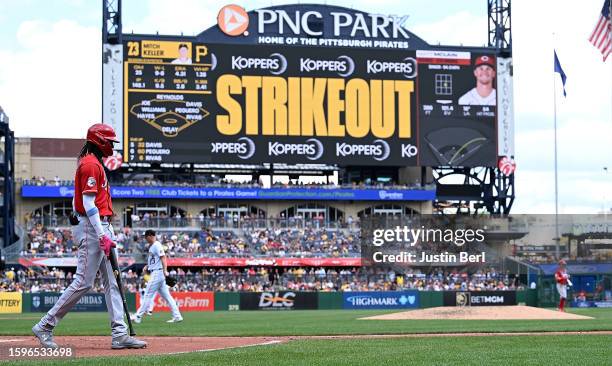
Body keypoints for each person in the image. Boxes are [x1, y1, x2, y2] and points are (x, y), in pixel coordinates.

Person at [32, 123, 146, 349]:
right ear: (100, 141)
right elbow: (86, 203)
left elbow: (77, 201)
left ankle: (120, 334)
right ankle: (45, 325)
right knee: (83, 281)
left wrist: (104, 231)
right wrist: (102, 234)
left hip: (99, 226)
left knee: (113, 281)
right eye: (110, 142)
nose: (113, 146)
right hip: (93, 228)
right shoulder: (90, 164)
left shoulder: (93, 163)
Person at [131, 230, 183, 323]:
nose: (145, 238)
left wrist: (165, 270)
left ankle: (138, 316)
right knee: (167, 297)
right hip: (156, 272)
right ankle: (177, 316)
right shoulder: (153, 246)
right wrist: (147, 266)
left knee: (147, 295)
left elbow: (163, 257)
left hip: (157, 273)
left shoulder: (156, 245)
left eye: (146, 236)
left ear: (150, 236)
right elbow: (155, 260)